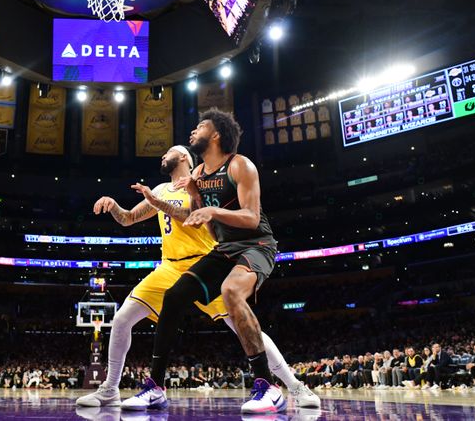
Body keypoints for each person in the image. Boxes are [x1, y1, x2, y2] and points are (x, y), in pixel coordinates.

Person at [78, 146, 318, 410]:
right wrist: (113, 206)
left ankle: (296, 386)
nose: (162, 156)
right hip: (169, 267)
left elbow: (194, 218)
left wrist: (171, 200)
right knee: (122, 319)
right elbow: (128, 218)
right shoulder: (159, 189)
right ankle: (110, 388)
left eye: (167, 152)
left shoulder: (202, 182)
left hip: (205, 263)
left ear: (183, 156)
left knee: (245, 328)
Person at [124, 109, 285, 414]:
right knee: (174, 297)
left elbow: (251, 218)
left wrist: (212, 212)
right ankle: (155, 387)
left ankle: (268, 386)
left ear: (216, 135)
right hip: (223, 248)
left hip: (256, 244)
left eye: (199, 128)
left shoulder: (240, 166)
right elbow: (194, 218)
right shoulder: (197, 177)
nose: (191, 133)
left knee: (231, 291)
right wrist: (160, 204)